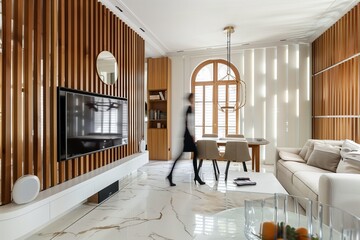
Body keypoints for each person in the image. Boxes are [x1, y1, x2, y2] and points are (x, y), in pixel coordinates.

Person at [166, 93, 205, 186]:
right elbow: (189, 123)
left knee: (192, 154)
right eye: (193, 98)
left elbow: (190, 123)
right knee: (191, 154)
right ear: (190, 99)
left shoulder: (191, 108)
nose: (194, 99)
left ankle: (171, 175)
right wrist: (192, 135)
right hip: (188, 136)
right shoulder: (189, 109)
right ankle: (195, 176)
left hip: (188, 135)